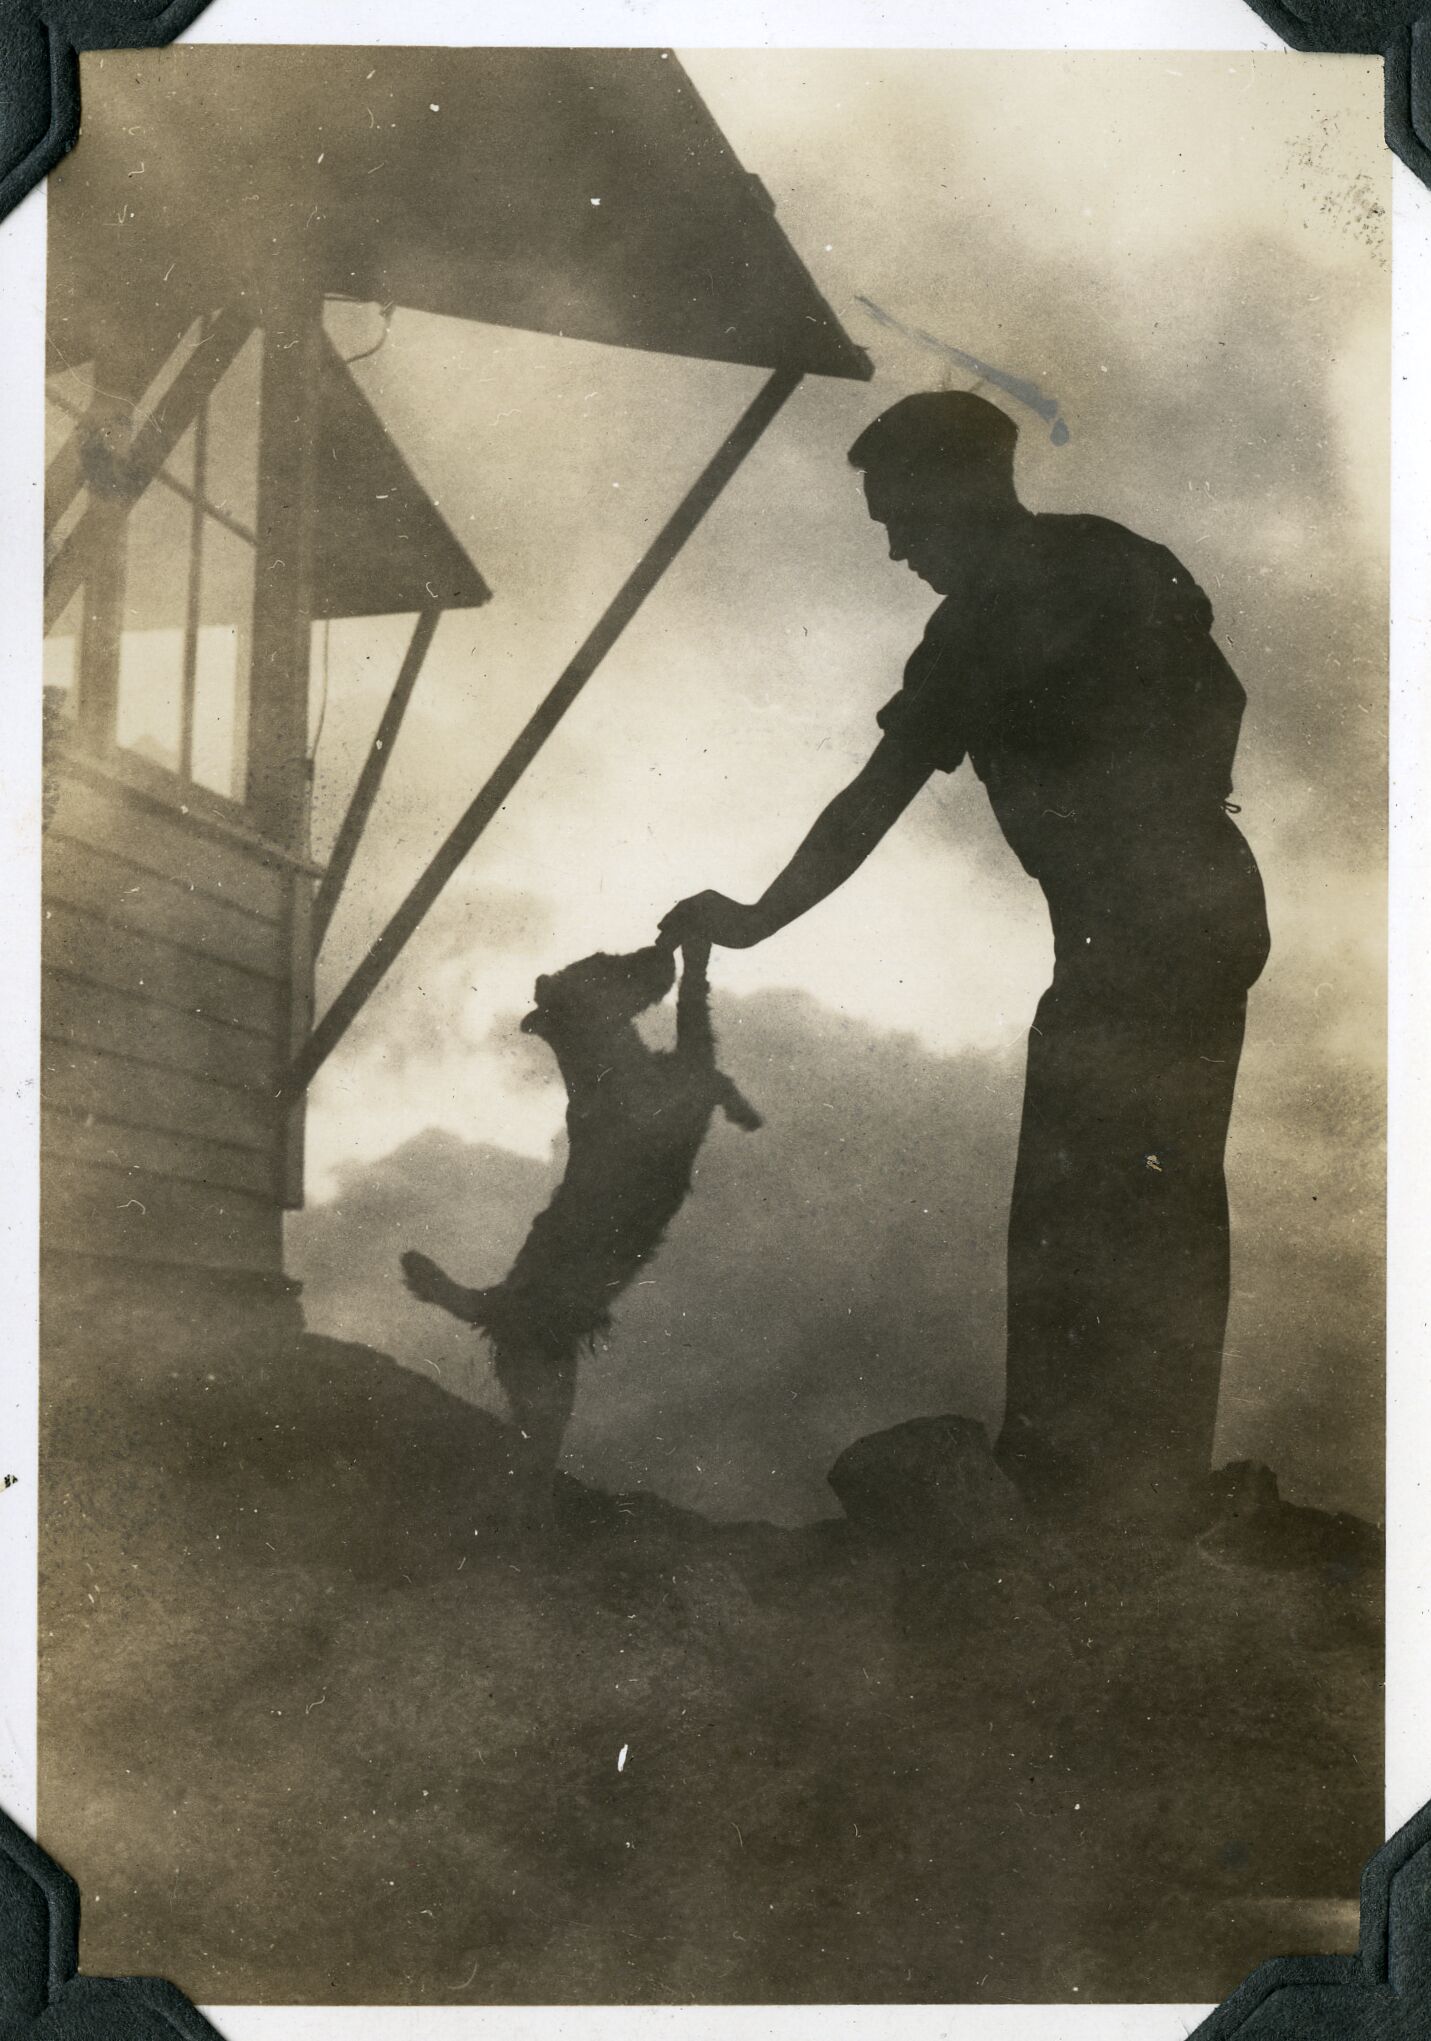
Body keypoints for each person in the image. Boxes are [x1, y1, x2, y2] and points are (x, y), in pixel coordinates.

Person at [660, 390, 1270, 1533]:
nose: (897, 548)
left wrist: (753, 918)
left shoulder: (983, 621)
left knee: (1080, 1202)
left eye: (901, 517)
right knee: (1162, 1193)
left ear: (960, 490)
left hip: (1140, 934)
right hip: (1199, 911)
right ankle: (1137, 1479)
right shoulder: (1114, 558)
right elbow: (1220, 699)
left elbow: (872, 799)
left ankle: (1082, 1489)